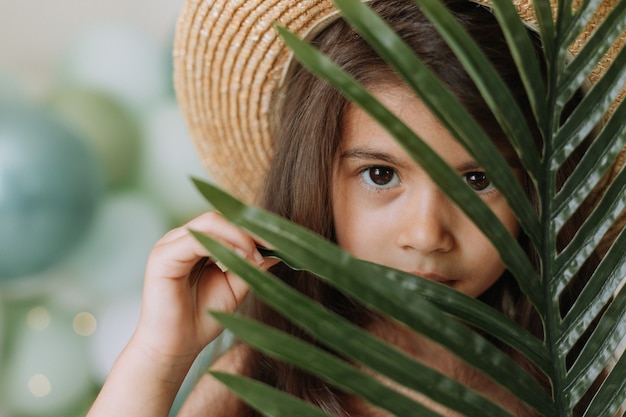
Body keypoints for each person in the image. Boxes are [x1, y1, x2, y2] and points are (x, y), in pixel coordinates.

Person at [86, 0, 624, 416]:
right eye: (381, 175)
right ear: (318, 179)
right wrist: (160, 357)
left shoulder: (580, 377)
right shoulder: (262, 381)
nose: (426, 233)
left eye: (480, 179)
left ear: (541, 188)